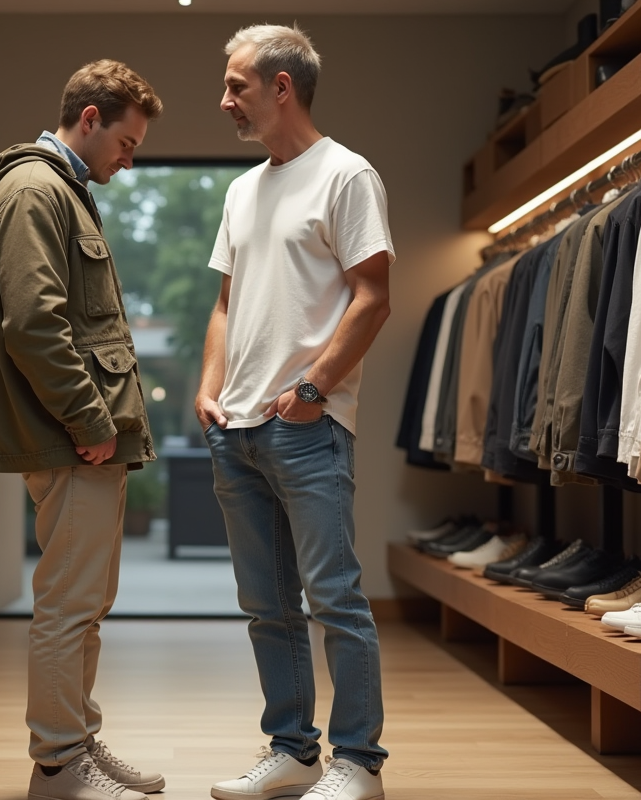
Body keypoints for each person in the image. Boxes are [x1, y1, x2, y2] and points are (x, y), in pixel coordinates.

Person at [195, 24, 395, 800]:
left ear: (282, 87)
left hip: (306, 428)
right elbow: (224, 303)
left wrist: (313, 391)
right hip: (235, 430)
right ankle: (293, 752)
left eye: (236, 85)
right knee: (266, 607)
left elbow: (373, 297)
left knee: (334, 598)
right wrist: (208, 390)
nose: (225, 100)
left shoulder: (347, 175)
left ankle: (358, 765)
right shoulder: (242, 189)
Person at [0, 60, 165, 800]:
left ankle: (75, 744)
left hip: (85, 436)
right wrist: (90, 418)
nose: (129, 156)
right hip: (74, 435)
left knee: (83, 605)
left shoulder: (63, 190)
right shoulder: (35, 190)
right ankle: (58, 766)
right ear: (91, 118)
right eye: (128, 141)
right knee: (68, 604)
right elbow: (33, 324)